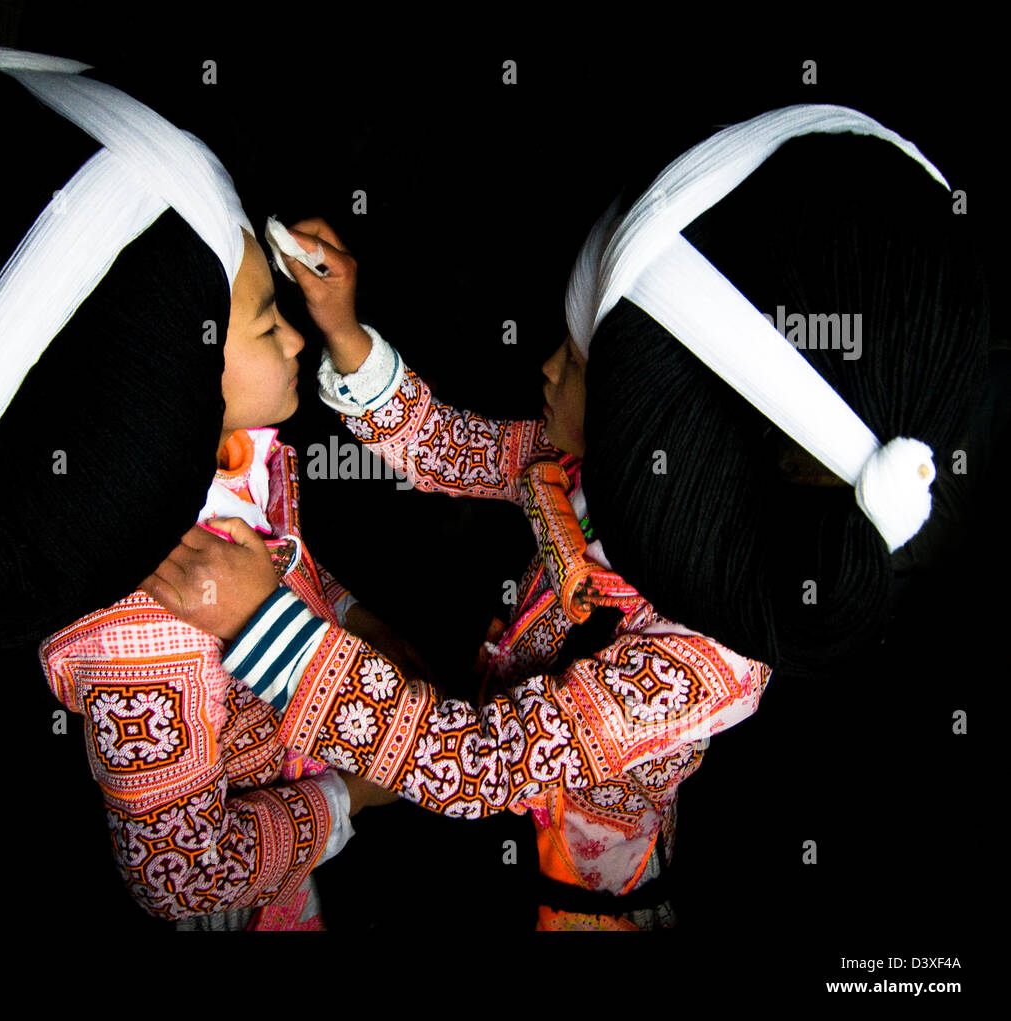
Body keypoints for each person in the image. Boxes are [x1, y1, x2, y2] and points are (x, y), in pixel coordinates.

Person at [143, 105, 989, 929]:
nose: (549, 365)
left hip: (587, 883)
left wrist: (264, 624)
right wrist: (345, 331)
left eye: (582, 360)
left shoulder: (702, 667)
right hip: (493, 766)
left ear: (670, 430)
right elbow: (450, 449)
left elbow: (472, 761)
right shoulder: (598, 473)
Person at [0, 45, 397, 930]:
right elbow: (184, 875)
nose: (293, 336)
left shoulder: (239, 451)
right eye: (260, 321)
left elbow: (299, 578)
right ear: (162, 378)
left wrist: (367, 637)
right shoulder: (145, 631)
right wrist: (349, 798)